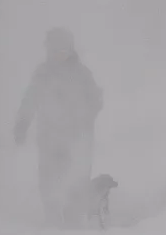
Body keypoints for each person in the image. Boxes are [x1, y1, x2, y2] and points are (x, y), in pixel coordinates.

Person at [14, 28, 103, 224]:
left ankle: (74, 216)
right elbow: (30, 98)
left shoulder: (82, 74)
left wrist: (85, 118)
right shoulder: (42, 73)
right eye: (53, 47)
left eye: (62, 48)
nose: (57, 52)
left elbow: (96, 100)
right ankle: (52, 214)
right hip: (49, 137)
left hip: (77, 138)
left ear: (70, 49)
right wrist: (22, 123)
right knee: (48, 176)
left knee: (77, 176)